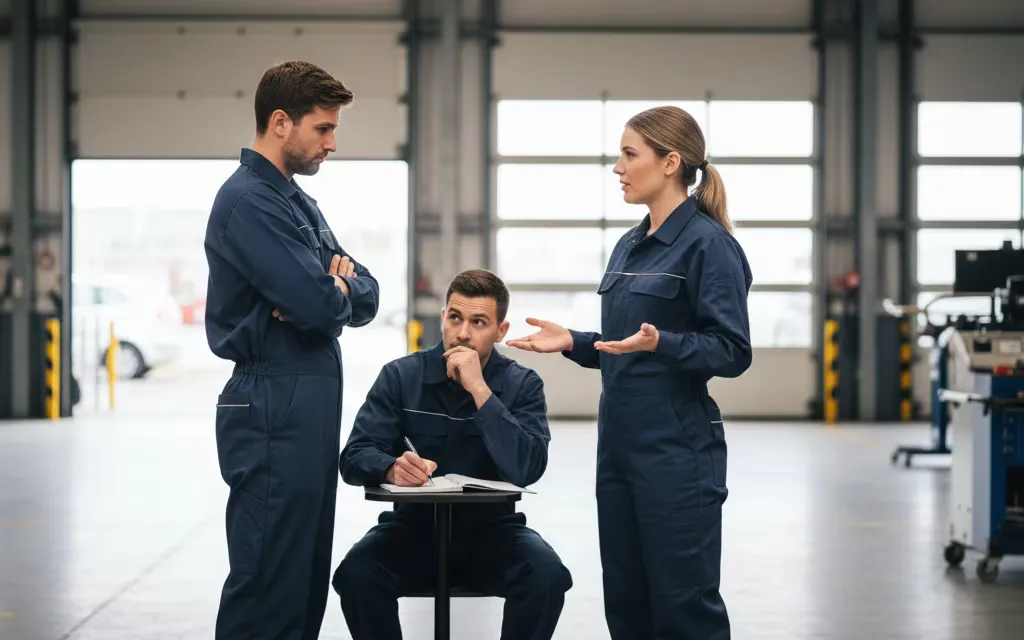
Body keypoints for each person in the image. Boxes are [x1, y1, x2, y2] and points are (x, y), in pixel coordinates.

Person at [507, 106, 752, 640]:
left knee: (683, 605)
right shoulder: (629, 246)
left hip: (677, 456)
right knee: (626, 599)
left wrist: (664, 341)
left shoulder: (710, 246)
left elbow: (732, 351)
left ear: (670, 163)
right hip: (618, 451)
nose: (617, 167)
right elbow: (625, 346)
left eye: (629, 154)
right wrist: (574, 341)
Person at [203, 60, 380, 640]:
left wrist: (337, 287)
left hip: (301, 403)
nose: (332, 143)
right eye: (322, 129)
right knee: (268, 578)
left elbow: (367, 292)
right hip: (271, 401)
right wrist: (329, 290)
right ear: (280, 122)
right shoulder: (250, 202)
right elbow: (317, 305)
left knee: (302, 577)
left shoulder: (294, 202)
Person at [332, 269, 572, 640]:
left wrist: (479, 389)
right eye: (456, 318)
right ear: (443, 318)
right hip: (412, 530)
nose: (463, 333)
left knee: (548, 576)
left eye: (479, 322)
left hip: (493, 532)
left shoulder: (522, 384)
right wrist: (391, 468)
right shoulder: (400, 377)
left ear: (500, 331)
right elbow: (354, 456)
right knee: (355, 575)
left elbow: (528, 466)